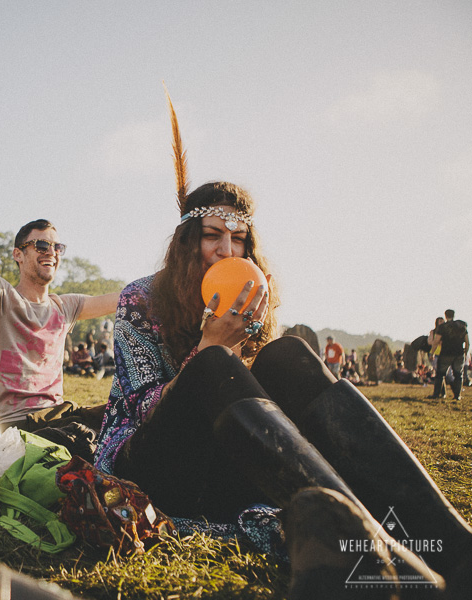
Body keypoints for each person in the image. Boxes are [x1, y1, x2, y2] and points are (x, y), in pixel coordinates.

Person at [93, 101, 470, 597]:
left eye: (239, 240)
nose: (227, 252)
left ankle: (450, 545)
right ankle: (372, 546)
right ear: (187, 240)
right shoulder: (141, 299)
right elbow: (139, 409)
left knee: (285, 355)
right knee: (211, 365)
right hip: (150, 466)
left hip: (227, 460)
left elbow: (265, 409)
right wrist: (206, 348)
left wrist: (246, 348)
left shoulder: (248, 297)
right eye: (212, 237)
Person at [0, 99, 119, 429]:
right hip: (17, 426)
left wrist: (185, 267)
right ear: (18, 254)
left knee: (131, 414)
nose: (52, 252)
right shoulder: (0, 300)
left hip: (61, 415)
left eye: (57, 246)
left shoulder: (66, 308)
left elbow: (124, 297)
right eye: (42, 244)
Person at [431, 309, 469, 401]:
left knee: (440, 374)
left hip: (446, 353)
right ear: (454, 315)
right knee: (458, 375)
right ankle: (457, 396)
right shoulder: (462, 326)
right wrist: (465, 352)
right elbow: (467, 342)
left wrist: (432, 352)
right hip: (459, 353)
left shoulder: (442, 327)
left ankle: (436, 394)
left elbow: (436, 341)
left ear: (445, 316)